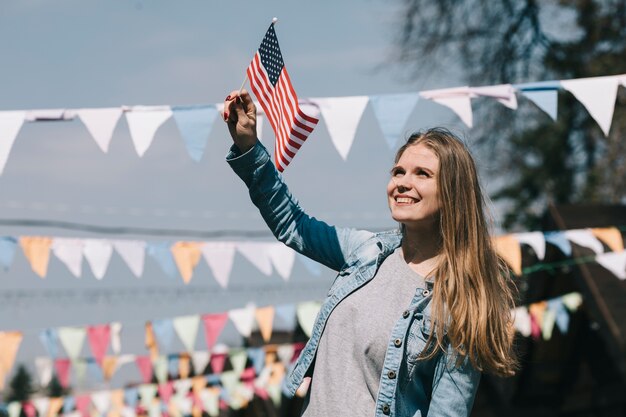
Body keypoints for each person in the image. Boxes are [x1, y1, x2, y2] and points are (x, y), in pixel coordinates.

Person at [222, 90, 517, 417]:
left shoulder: (460, 304)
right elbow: (292, 224)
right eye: (398, 171)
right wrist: (249, 148)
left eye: (422, 174)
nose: (403, 182)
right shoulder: (365, 251)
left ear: (452, 194)